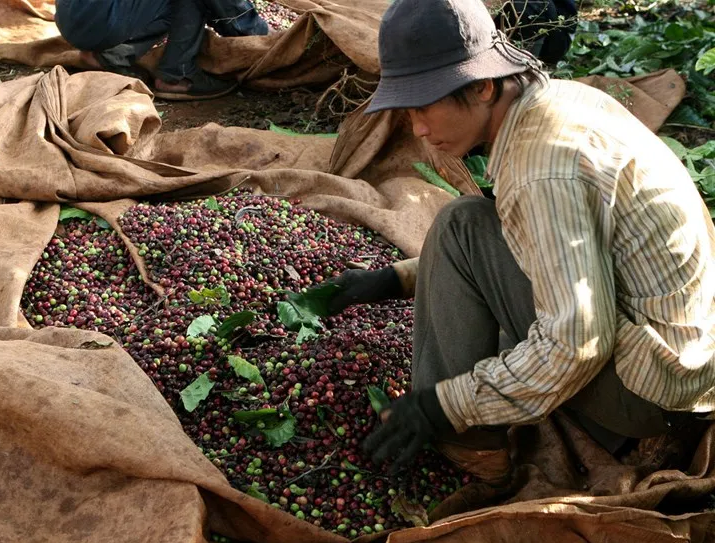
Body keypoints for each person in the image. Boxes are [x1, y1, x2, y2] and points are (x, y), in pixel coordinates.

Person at [326, 0, 715, 486]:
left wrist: (442, 406)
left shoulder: (540, 168)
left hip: (648, 390)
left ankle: (468, 444)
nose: (419, 130)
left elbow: (578, 342)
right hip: (684, 357)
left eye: (424, 107)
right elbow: (532, 242)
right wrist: (393, 278)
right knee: (466, 223)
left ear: (484, 86)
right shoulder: (559, 101)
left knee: (459, 225)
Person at [55, 0, 269, 100]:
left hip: (70, 14)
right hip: (99, 18)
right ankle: (177, 75)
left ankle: (110, 55)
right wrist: (259, 38)